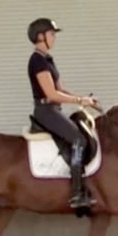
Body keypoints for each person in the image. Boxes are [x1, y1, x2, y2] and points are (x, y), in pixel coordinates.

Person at [26, 17, 97, 210]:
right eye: (51, 34)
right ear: (40, 36)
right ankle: (76, 193)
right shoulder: (37, 61)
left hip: (53, 109)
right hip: (45, 110)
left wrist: (83, 99)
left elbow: (61, 90)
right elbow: (51, 94)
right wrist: (78, 101)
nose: (54, 38)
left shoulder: (48, 60)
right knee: (78, 140)